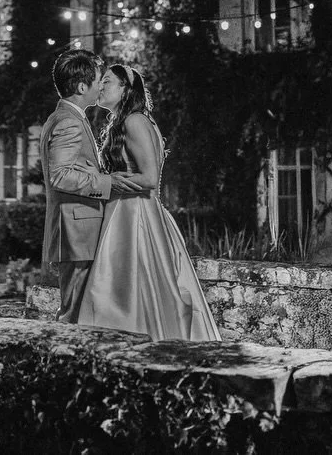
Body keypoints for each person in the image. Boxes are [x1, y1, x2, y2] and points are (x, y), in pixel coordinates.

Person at [77, 64, 221, 341]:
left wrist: (108, 179)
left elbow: (150, 178)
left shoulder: (135, 121)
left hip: (134, 214)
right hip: (128, 210)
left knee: (125, 287)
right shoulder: (129, 120)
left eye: (107, 82)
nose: (101, 87)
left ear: (125, 90)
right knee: (130, 287)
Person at [39, 49, 147, 323]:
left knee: (81, 311)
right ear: (82, 86)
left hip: (78, 230)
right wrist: (107, 181)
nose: (102, 85)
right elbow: (60, 175)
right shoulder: (68, 122)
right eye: (100, 79)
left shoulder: (68, 117)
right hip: (78, 232)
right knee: (74, 315)